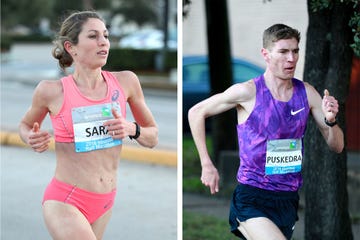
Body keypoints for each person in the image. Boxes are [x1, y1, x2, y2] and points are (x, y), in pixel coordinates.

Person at [188, 23, 344, 240]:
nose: (291, 58)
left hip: (287, 199)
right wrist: (206, 164)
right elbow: (196, 112)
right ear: (266, 54)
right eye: (283, 51)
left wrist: (331, 120)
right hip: (252, 197)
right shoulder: (248, 92)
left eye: (295, 51)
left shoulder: (306, 93)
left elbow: (336, 146)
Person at [19, 11, 158, 240]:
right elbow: (25, 125)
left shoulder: (126, 82)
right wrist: (30, 137)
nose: (103, 42)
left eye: (105, 35)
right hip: (65, 199)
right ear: (71, 47)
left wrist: (131, 128)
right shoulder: (51, 91)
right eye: (93, 36)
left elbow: (152, 137)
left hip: (105, 200)